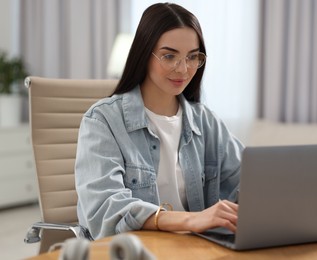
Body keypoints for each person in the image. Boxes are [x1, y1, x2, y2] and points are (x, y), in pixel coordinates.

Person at [75, 2, 244, 240]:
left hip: (195, 249)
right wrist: (192, 219)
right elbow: (105, 210)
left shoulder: (205, 121)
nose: (183, 69)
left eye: (192, 57)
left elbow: (249, 182)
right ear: (145, 54)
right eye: (169, 56)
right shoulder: (102, 121)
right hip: (132, 251)